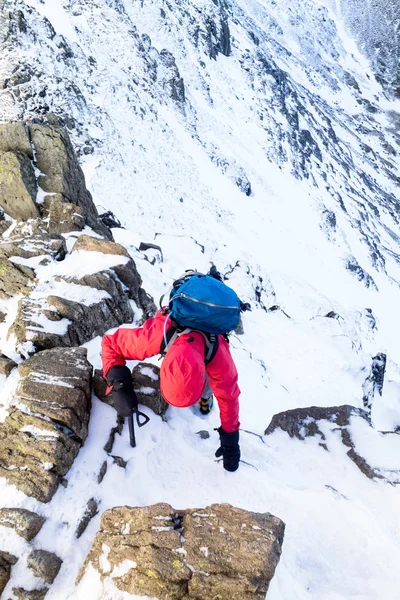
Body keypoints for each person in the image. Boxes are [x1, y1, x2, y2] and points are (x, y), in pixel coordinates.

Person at [101, 307, 241, 472]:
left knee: (214, 379)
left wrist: (230, 441)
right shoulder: (156, 336)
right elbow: (110, 344)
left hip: (207, 339)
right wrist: (119, 382)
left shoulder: (219, 356)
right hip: (181, 325)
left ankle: (205, 396)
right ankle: (203, 394)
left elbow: (228, 397)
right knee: (212, 377)